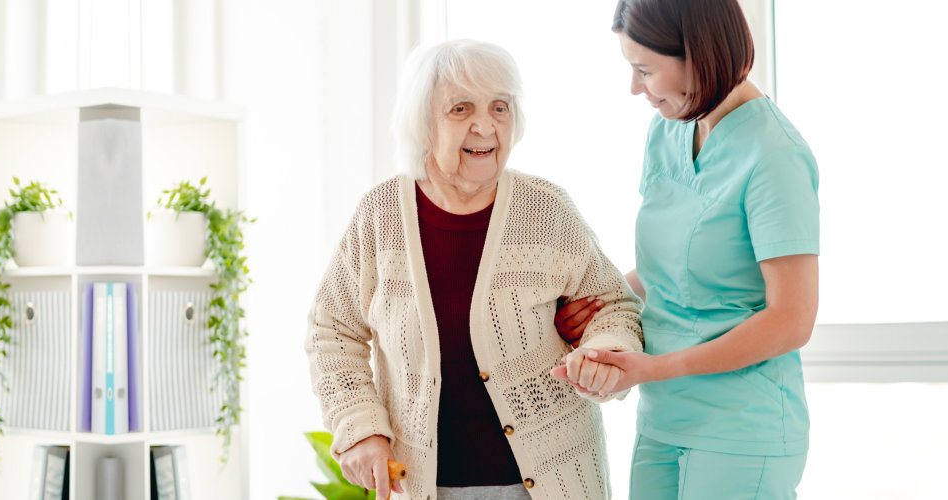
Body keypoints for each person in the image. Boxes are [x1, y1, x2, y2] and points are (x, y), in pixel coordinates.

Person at [306, 38, 644, 500]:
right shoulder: (380, 215)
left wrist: (603, 351)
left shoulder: (547, 211)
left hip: (554, 479)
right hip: (425, 484)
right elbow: (332, 330)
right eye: (460, 108)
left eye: (500, 108)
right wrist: (360, 427)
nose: (485, 125)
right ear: (423, 123)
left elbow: (614, 308)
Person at [553, 1, 822, 498]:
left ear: (698, 56)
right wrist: (599, 308)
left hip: (741, 430)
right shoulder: (668, 128)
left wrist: (658, 367)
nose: (635, 88)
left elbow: (793, 319)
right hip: (662, 417)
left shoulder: (775, 156)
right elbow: (667, 270)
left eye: (645, 70)